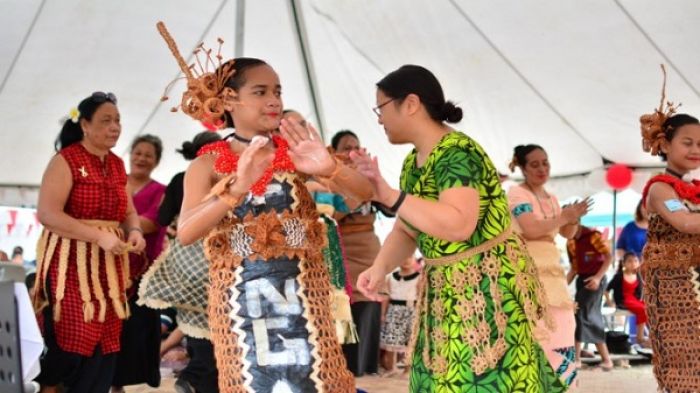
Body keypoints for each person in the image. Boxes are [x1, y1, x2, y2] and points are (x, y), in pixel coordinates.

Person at [158, 22, 370, 392]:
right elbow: (189, 231)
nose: (274, 100)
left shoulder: (296, 153)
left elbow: (362, 195)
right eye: (260, 91)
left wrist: (330, 168)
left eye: (277, 91)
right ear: (228, 101)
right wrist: (236, 187)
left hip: (304, 300)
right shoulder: (208, 164)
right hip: (242, 309)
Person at [353, 64, 565, 392]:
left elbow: (458, 224)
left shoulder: (458, 152)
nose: (378, 118)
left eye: (380, 107)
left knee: (484, 382)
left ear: (410, 104)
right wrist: (379, 267)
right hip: (445, 292)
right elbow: (407, 230)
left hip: (484, 291)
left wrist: (390, 195)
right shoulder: (413, 162)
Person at [32, 92, 145, 393]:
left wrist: (134, 231)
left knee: (106, 339)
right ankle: (50, 384)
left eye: (118, 120)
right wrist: (97, 236)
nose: (115, 127)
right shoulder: (66, 159)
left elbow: (128, 211)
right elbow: (47, 213)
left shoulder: (119, 165)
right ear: (84, 124)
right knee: (74, 334)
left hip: (109, 267)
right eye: (106, 120)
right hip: (70, 265)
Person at [139, 131, 222, 393]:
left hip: (185, 259)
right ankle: (198, 375)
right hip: (214, 256)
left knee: (194, 316)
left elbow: (163, 218)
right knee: (213, 320)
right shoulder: (225, 176)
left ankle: (196, 374)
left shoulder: (179, 179)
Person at [638, 71, 700, 390]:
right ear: (664, 143)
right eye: (687, 142)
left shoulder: (694, 188)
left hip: (695, 281)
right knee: (684, 362)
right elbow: (686, 223)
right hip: (674, 288)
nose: (695, 149)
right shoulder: (661, 188)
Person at [507, 144, 589, 386]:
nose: (542, 169)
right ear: (522, 168)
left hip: (553, 275)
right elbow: (531, 229)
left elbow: (568, 234)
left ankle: (561, 386)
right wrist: (564, 216)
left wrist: (573, 218)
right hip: (526, 271)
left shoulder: (552, 198)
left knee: (563, 330)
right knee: (534, 334)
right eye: (534, 164)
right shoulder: (516, 193)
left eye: (545, 163)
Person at [112, 134, 167, 391]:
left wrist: (103, 227)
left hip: (141, 278)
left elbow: (148, 224)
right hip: (108, 272)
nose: (141, 158)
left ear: (156, 161)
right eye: (138, 152)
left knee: (135, 335)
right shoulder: (115, 181)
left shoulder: (160, 192)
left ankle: (127, 386)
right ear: (130, 153)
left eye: (148, 155)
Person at [566, 225, 613, 370]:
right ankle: (606, 360)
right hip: (582, 280)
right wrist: (561, 287)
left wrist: (598, 278)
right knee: (589, 317)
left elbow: (610, 257)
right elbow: (574, 268)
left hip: (596, 279)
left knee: (580, 314)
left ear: (576, 221)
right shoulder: (570, 241)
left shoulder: (593, 236)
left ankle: (577, 358)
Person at [379, 255, 420, 377]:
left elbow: (421, 295)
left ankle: (407, 370)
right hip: (394, 310)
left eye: (410, 257)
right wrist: (383, 313)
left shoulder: (418, 278)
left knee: (410, 341)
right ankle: (391, 368)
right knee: (391, 339)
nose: (406, 260)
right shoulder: (390, 277)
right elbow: (386, 297)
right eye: (403, 257)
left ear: (414, 260)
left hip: (411, 311)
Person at [605, 252, 647, 345]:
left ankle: (646, 336)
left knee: (648, 307)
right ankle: (640, 337)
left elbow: (642, 289)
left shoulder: (638, 276)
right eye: (630, 261)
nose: (633, 263)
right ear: (624, 263)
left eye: (635, 261)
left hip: (634, 300)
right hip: (623, 301)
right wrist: (610, 303)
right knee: (642, 309)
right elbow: (606, 290)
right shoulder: (619, 276)